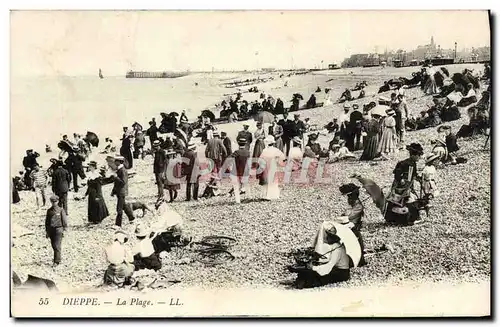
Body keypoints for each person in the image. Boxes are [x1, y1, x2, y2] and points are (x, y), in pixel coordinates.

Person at [288, 221, 350, 289]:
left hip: (341, 273)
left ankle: (304, 282)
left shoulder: (338, 249)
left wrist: (313, 267)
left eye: (328, 237)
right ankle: (301, 280)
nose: (326, 238)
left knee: (321, 277)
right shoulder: (337, 245)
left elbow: (329, 266)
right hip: (337, 268)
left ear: (333, 238)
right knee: (317, 271)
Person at [385, 143, 424, 225]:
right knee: (398, 200)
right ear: (413, 155)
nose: (419, 158)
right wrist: (401, 179)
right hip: (401, 186)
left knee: (406, 200)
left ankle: (402, 219)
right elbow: (397, 173)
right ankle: (406, 219)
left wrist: (418, 178)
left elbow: (414, 174)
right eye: (418, 155)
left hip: (408, 185)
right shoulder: (403, 163)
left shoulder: (413, 164)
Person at [337, 184, 366, 266]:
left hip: (354, 227)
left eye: (349, 197)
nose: (348, 199)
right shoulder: (353, 205)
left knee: (355, 244)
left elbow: (349, 217)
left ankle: (356, 261)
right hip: (348, 225)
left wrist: (344, 216)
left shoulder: (358, 206)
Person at [107, 155, 135, 227]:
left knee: (119, 208)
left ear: (119, 162)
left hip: (122, 192)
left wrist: (116, 177)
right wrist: (113, 191)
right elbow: (117, 183)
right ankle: (132, 218)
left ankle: (118, 224)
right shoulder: (119, 170)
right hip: (120, 191)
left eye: (116, 161)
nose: (115, 162)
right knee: (124, 206)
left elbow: (123, 182)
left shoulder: (123, 170)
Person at [259, 136, 286, 201]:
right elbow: (283, 158)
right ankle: (273, 195)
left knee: (266, 180)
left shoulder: (264, 150)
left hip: (266, 167)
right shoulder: (276, 150)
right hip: (273, 166)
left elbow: (260, 160)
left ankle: (265, 195)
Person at [45, 194, 68, 267]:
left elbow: (64, 220)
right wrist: (47, 232)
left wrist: (64, 228)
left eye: (55, 201)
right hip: (51, 230)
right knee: (53, 245)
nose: (53, 203)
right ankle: (57, 257)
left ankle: (56, 261)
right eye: (52, 201)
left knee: (57, 245)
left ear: (57, 201)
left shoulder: (61, 210)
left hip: (58, 229)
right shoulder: (49, 211)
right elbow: (47, 222)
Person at [228, 137, 251, 203]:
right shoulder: (248, 152)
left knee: (236, 186)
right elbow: (249, 162)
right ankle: (248, 197)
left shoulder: (236, 152)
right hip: (245, 171)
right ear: (245, 144)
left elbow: (229, 159)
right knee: (246, 184)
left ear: (238, 144)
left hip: (237, 171)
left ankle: (238, 200)